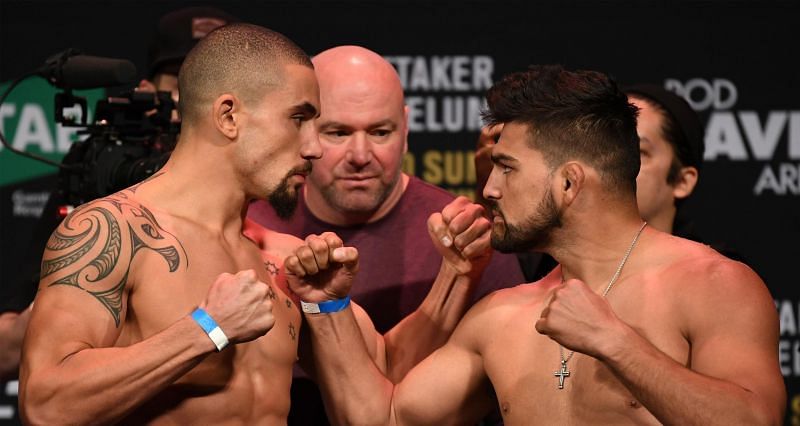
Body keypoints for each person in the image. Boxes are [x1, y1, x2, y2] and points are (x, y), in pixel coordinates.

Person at [18, 23, 492, 424]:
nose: (314, 147)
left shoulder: (283, 260)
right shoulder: (114, 231)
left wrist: (453, 274)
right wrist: (205, 329)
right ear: (228, 116)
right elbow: (45, 403)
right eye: (298, 118)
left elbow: (386, 374)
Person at [296, 64, 786, 425]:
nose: (488, 189)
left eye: (507, 168)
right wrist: (328, 305)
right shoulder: (502, 316)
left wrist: (617, 344)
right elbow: (385, 419)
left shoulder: (713, 285)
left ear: (569, 183)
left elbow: (755, 421)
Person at [246, 45, 525, 423]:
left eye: (380, 132)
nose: (360, 155)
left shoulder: (470, 239)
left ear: (406, 130)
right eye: (338, 132)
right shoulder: (255, 231)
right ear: (305, 130)